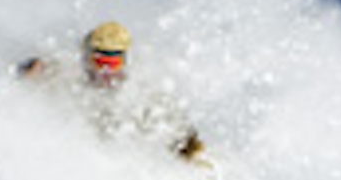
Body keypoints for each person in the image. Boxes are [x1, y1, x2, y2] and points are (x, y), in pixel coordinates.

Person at [19, 20, 206, 163]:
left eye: (113, 63)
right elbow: (30, 74)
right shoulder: (69, 74)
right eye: (100, 62)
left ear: (125, 62)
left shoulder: (142, 92)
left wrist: (191, 152)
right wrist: (30, 70)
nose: (105, 71)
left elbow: (181, 135)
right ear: (87, 59)